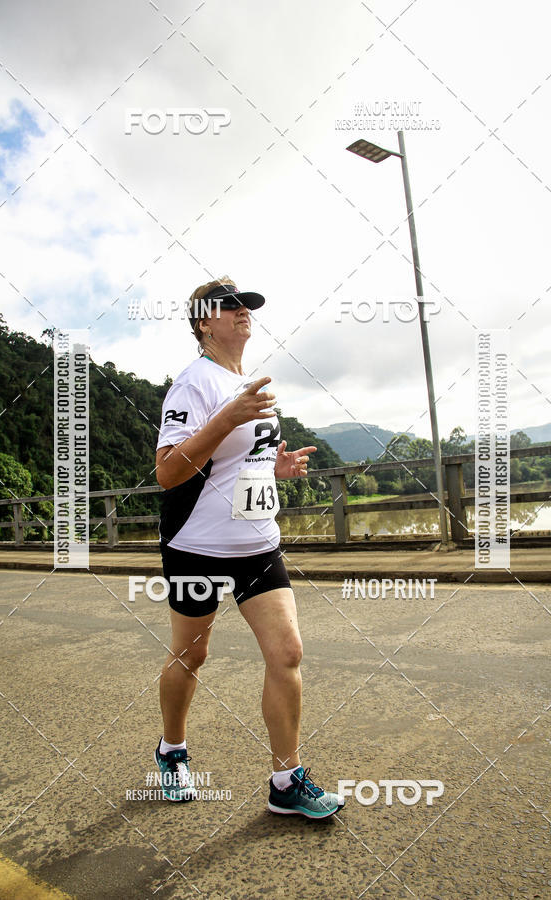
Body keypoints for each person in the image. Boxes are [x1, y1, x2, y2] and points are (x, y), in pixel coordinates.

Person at [153, 275, 343, 819]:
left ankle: (286, 781)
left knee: (287, 653)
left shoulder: (250, 383)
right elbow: (168, 472)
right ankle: (172, 752)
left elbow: (238, 463)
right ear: (203, 323)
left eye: (247, 307)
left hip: (258, 544)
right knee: (192, 654)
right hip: (197, 546)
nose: (243, 313)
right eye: (230, 308)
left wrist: (274, 469)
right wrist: (226, 418)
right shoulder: (194, 384)